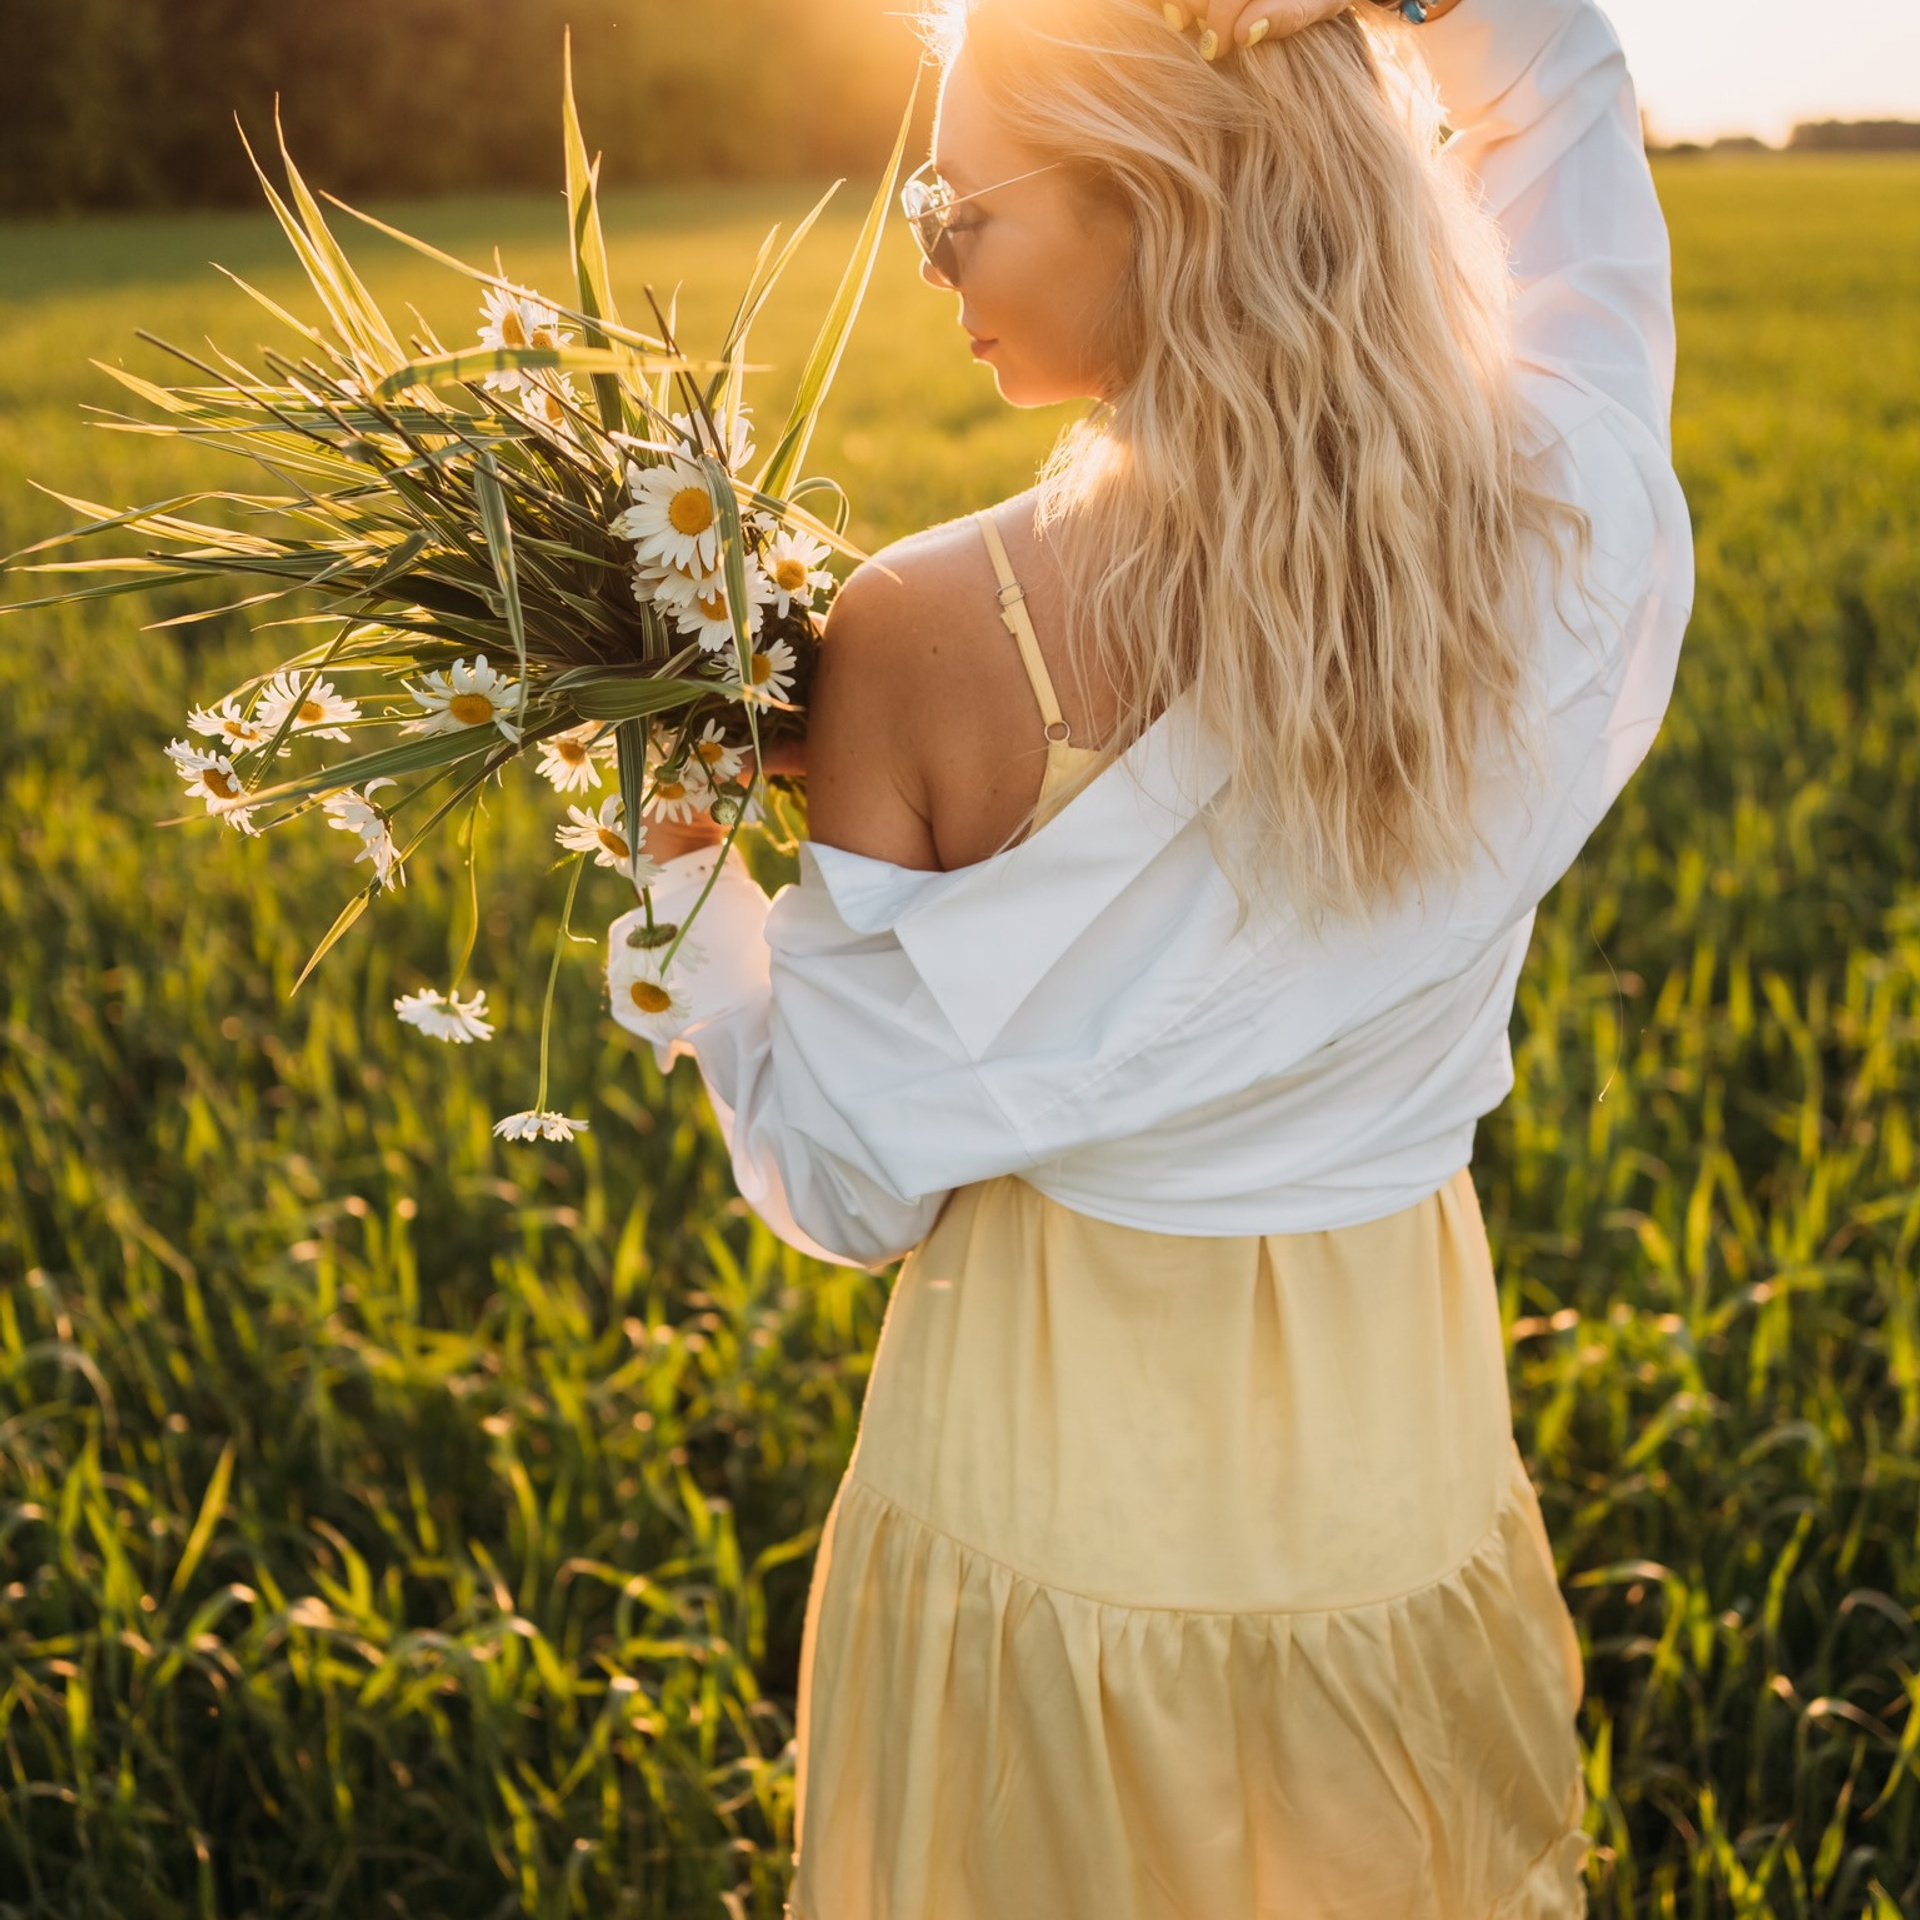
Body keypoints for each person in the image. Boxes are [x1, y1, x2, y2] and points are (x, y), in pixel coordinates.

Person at [614, 0, 1691, 1912]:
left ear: (1159, 200)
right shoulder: (1566, 519)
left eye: (958, 211)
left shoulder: (926, 630)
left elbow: (848, 1176)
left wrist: (688, 858)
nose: (929, 257)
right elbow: (1568, 116)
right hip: (1391, 1433)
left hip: (1042, 1469)